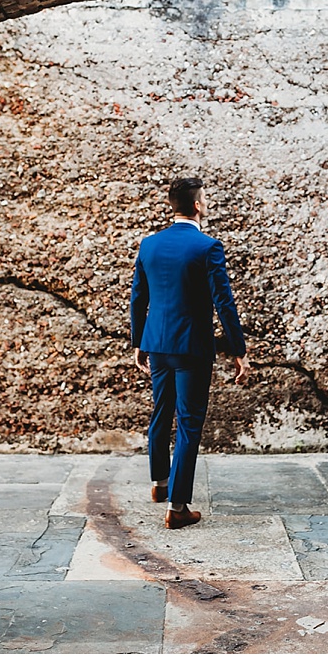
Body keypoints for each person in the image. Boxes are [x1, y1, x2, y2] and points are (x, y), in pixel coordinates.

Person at [130, 176, 249, 530]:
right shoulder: (208, 246)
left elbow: (139, 296)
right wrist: (238, 349)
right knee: (189, 424)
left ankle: (160, 485)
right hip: (192, 347)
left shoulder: (149, 244)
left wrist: (139, 342)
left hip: (157, 343)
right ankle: (178, 507)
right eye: (205, 199)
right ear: (197, 205)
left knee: (161, 412)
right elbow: (223, 302)